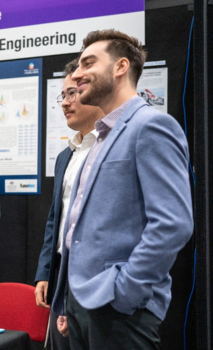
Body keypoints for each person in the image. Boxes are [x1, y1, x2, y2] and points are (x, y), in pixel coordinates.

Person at [50, 30, 193, 349]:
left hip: (118, 307)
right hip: (79, 303)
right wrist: (69, 297)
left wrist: (124, 292)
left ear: (120, 67)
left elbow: (172, 225)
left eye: (88, 63)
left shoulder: (151, 126)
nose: (77, 73)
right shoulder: (99, 138)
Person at [34, 59, 104, 350]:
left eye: (73, 93)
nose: (65, 102)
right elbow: (56, 218)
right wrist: (45, 272)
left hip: (99, 277)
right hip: (63, 273)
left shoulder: (110, 147)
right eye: (62, 95)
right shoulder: (66, 155)